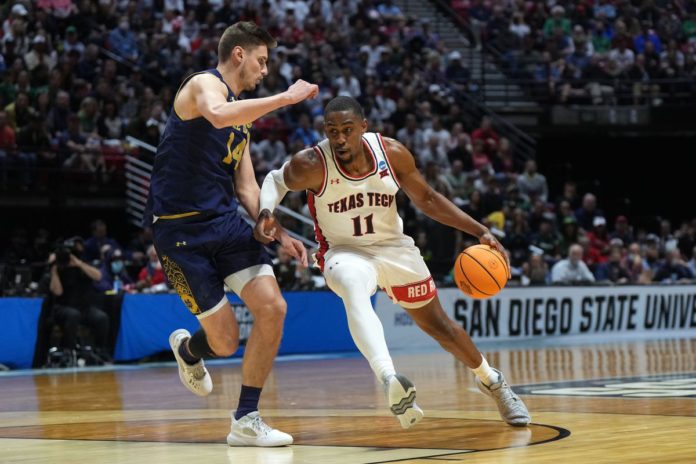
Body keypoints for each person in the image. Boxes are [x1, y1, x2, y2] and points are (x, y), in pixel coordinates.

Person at [254, 96, 530, 429]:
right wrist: (267, 213)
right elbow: (274, 180)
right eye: (332, 131)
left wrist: (480, 231)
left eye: (347, 130)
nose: (339, 139)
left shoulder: (392, 154)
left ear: (363, 128)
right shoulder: (312, 163)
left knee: (440, 327)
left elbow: (427, 199)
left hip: (393, 247)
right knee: (354, 288)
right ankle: (390, 379)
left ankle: (492, 381)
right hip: (344, 251)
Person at [145, 21, 318, 447]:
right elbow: (218, 114)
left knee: (273, 307)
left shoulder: (243, 118)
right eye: (262, 61)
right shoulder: (203, 85)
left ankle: (246, 418)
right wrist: (285, 99)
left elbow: (246, 187)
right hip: (179, 230)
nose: (265, 70)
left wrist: (276, 231)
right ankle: (189, 352)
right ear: (238, 54)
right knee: (224, 342)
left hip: (224, 223)